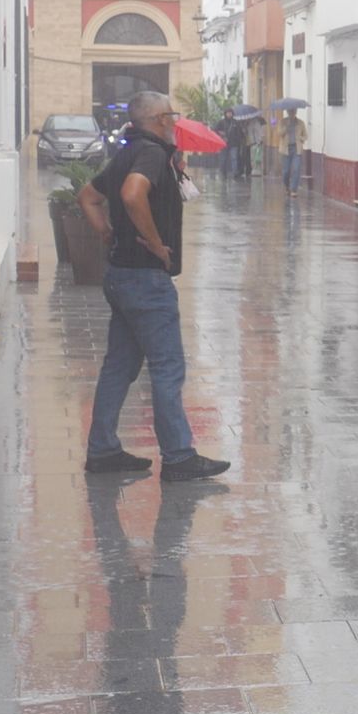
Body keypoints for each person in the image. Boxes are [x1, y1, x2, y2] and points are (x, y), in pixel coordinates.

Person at [76, 90, 230, 482]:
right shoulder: (151, 154)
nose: (174, 122)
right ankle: (178, 457)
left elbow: (88, 197)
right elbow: (131, 194)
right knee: (167, 367)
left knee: (120, 365)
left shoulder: (126, 153)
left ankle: (103, 449)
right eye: (171, 116)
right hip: (146, 278)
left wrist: (107, 233)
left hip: (121, 275)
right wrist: (157, 244)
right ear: (160, 119)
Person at [279, 108, 307, 197]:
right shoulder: (283, 122)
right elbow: (279, 133)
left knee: (296, 169)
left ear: (296, 112)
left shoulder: (301, 123)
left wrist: (301, 139)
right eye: (290, 112)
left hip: (296, 149)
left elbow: (305, 135)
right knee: (286, 171)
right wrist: (285, 128)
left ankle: (294, 190)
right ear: (287, 112)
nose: (292, 113)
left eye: (294, 111)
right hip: (286, 149)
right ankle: (287, 186)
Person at [214, 108, 245, 180]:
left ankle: (235, 173)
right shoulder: (221, 122)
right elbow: (215, 130)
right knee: (223, 159)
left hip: (234, 144)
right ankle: (223, 172)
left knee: (234, 159)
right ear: (225, 113)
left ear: (232, 113)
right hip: (224, 144)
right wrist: (221, 134)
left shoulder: (235, 122)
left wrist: (238, 140)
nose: (229, 114)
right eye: (228, 113)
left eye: (230, 113)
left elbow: (239, 133)